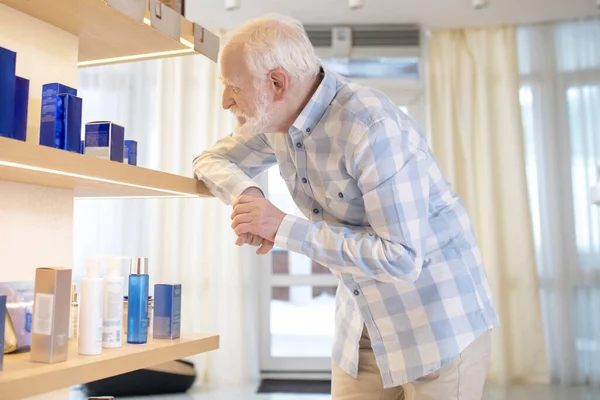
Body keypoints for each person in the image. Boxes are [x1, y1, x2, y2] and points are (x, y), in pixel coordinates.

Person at [193, 14, 499, 400]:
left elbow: (402, 258)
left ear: (276, 82)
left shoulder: (370, 125)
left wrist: (280, 227)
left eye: (233, 87)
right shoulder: (273, 121)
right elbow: (208, 161)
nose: (225, 102)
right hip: (362, 325)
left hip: (437, 324)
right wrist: (248, 195)